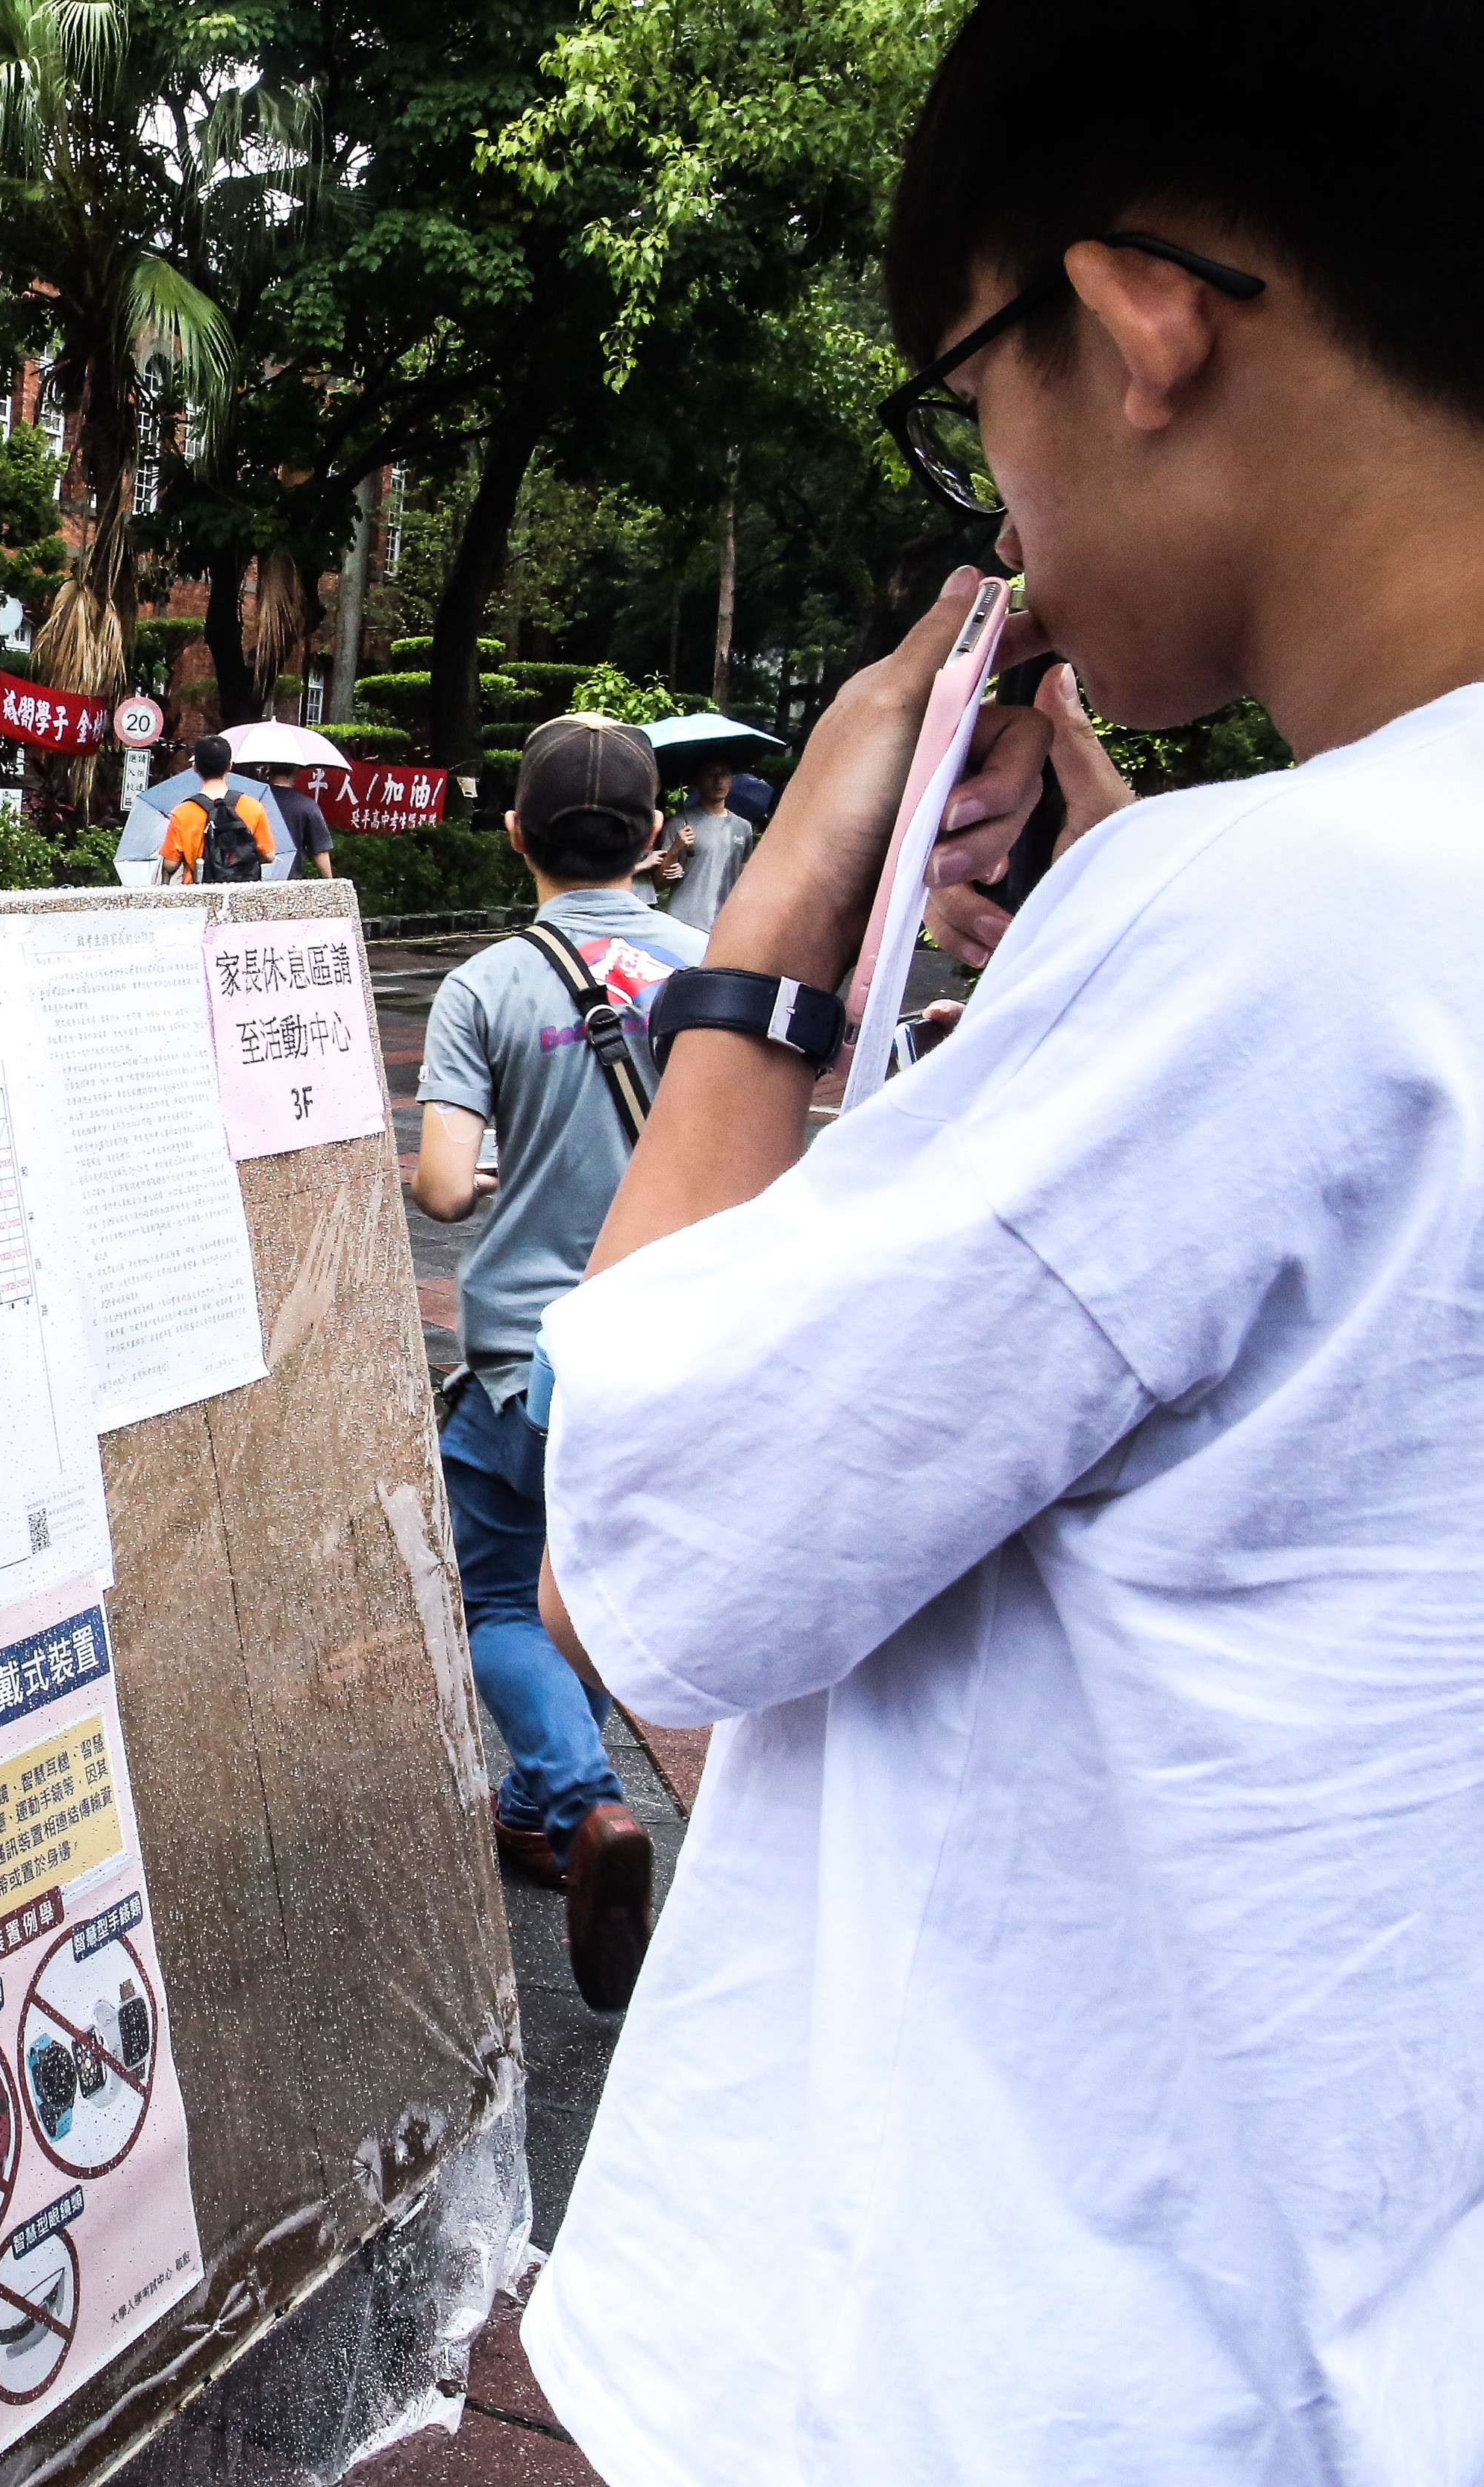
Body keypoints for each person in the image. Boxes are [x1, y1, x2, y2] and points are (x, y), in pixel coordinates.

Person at [522, 4, 1484, 2477]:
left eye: (976, 394)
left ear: (1141, 320)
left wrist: (794, 902)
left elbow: (646, 1549)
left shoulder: (1269, 932)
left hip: (1049, 2368)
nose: (1004, 493)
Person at [404, 714, 703, 2011]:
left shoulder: (485, 986)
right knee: (579, 1576)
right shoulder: (712, 971)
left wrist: (488, 1182)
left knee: (502, 1604)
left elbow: (442, 1183)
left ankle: (587, 1804)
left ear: (514, 831)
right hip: (673, 1354)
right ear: (656, 840)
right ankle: (538, 1803)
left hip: (530, 1356)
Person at [154, 736, 272, 883]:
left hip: (199, 893)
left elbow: (170, 864)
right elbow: (269, 855)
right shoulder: (254, 807)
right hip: (240, 895)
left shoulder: (183, 812)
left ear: (195, 767)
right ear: (229, 766)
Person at [658, 763, 751, 931]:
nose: (718, 781)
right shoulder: (679, 824)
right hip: (684, 921)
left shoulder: (743, 827)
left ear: (731, 780)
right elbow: (658, 883)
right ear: (698, 782)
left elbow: (743, 875)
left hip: (724, 924)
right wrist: (676, 849)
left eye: (724, 775)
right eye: (711, 775)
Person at [248, 760, 336, 878]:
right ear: (297, 771)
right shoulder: (307, 805)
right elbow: (321, 852)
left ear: (270, 769)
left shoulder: (251, 800)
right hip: (289, 880)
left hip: (251, 878)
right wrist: (330, 883)